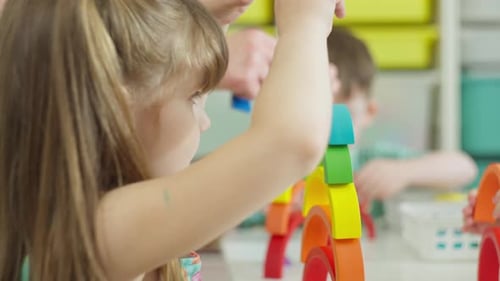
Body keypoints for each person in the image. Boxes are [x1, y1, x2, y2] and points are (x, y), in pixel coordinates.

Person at [0, 0, 344, 281]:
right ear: (117, 110)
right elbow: (289, 143)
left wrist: (219, 16)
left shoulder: (83, 225)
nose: (205, 121)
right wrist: (306, 25)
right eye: (195, 97)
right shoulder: (99, 234)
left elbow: (174, 83)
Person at [328, 28, 477, 216]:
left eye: (342, 116)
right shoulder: (286, 164)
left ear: (369, 113)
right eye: (315, 115)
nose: (329, 129)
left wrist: (403, 172)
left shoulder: (370, 161)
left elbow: (465, 167)